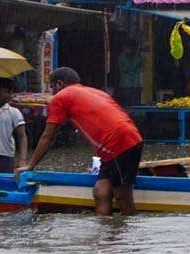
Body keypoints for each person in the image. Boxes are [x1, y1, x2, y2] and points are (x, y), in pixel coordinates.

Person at [17, 67, 144, 216]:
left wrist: (29, 165)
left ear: (59, 84)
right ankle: (106, 234)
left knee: (123, 198)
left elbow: (47, 136)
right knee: (100, 192)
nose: (53, 92)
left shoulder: (61, 97)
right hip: (126, 139)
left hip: (118, 143)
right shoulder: (96, 92)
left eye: (52, 88)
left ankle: (131, 237)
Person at [116, 42, 143, 107]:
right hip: (126, 85)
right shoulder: (121, 58)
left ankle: (137, 116)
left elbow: (140, 68)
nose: (130, 49)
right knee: (127, 104)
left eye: (131, 48)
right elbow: (126, 68)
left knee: (136, 104)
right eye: (127, 48)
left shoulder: (139, 58)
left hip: (136, 85)